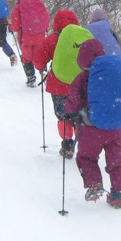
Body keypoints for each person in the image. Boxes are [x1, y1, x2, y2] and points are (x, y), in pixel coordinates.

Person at [64, 38, 121, 208]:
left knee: (87, 157)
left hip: (91, 128)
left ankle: (94, 184)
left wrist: (65, 108)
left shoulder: (82, 78)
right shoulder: (113, 74)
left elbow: (73, 104)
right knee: (116, 161)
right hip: (115, 127)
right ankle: (118, 194)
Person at [34, 9, 80, 158]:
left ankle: (67, 145)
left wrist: (41, 68)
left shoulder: (53, 39)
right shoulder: (81, 38)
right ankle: (82, 142)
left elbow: (39, 58)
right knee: (78, 115)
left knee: (63, 115)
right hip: (78, 85)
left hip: (58, 85)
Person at [9, 0, 50, 87]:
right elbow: (46, 18)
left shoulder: (18, 7)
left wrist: (10, 28)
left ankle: (31, 79)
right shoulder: (37, 2)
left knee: (26, 58)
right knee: (39, 55)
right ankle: (43, 71)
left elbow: (15, 26)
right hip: (40, 35)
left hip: (26, 37)